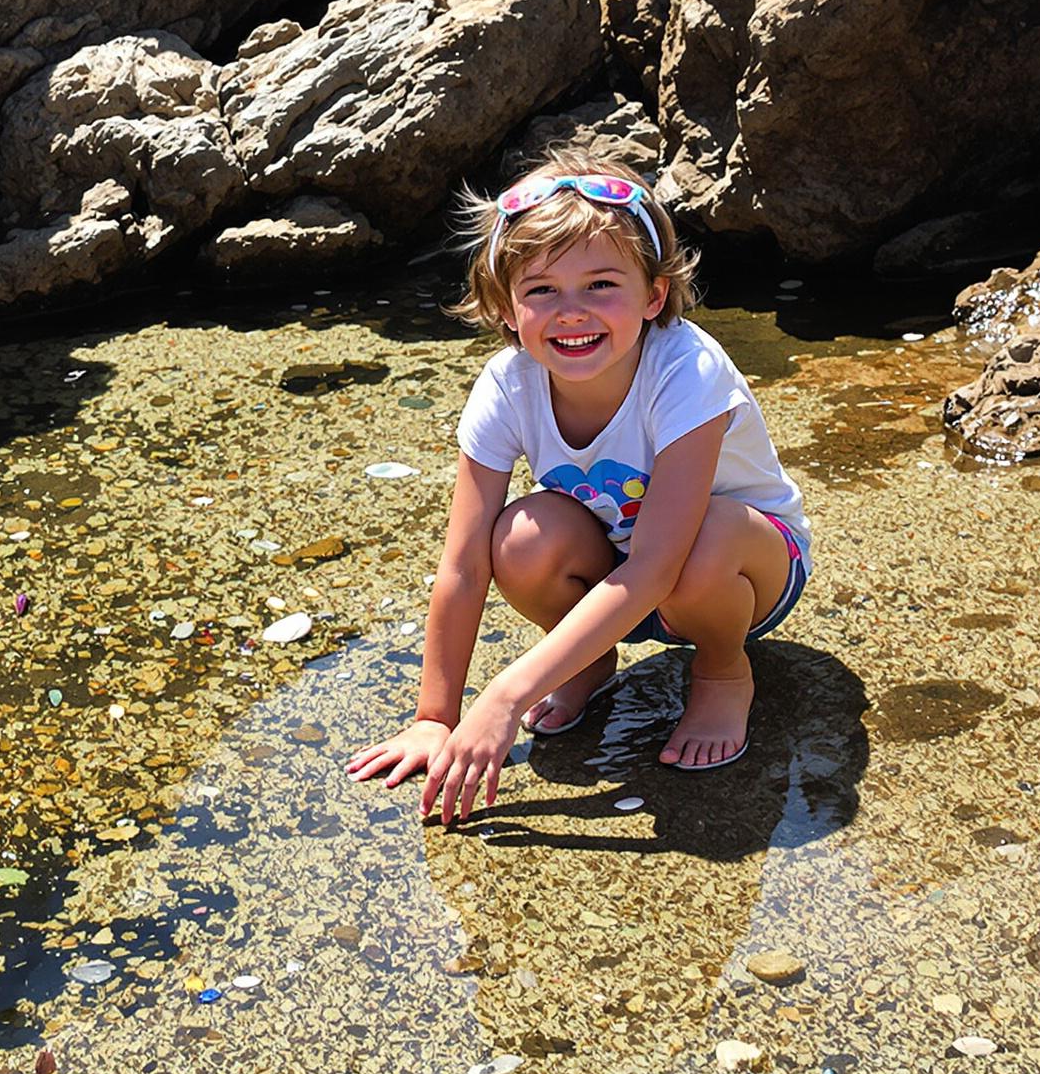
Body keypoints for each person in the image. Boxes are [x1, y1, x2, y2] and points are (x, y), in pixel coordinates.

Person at [345, 148, 811, 826]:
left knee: (700, 541)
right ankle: (589, 664)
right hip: (622, 569)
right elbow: (464, 564)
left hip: (739, 572)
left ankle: (720, 671)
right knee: (521, 537)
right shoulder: (507, 387)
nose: (571, 312)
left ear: (654, 296)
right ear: (504, 307)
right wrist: (433, 717)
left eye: (600, 285)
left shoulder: (686, 369)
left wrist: (505, 694)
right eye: (541, 290)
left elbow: (656, 566)